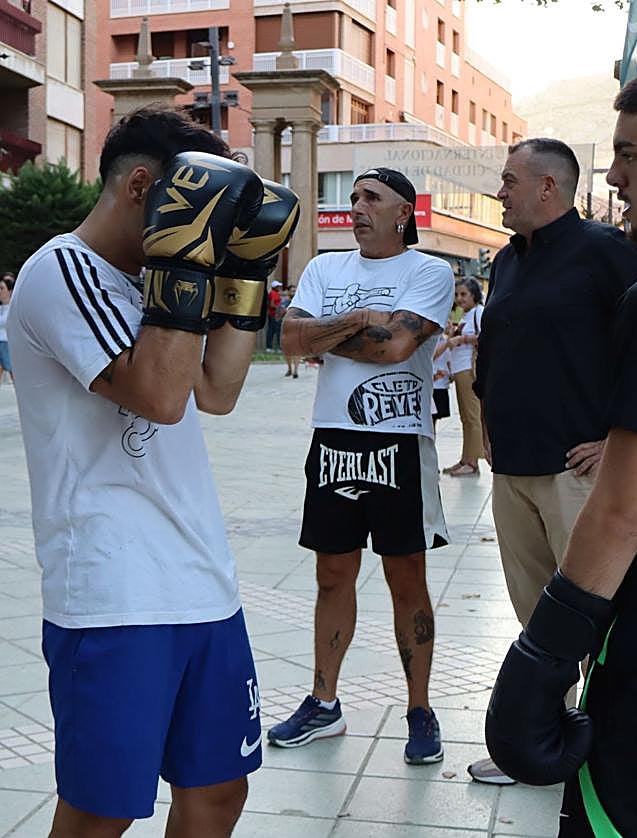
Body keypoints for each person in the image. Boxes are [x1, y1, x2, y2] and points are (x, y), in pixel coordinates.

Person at [6, 105, 296, 838]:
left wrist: (243, 269)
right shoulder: (60, 272)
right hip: (114, 592)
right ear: (143, 186)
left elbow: (218, 391)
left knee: (219, 789)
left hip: (202, 579)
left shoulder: (149, 279)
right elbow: (161, 397)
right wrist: (185, 263)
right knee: (100, 812)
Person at [485, 58, 637, 836]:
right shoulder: (512, 262)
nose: (612, 177)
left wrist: (542, 656)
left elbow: (621, 510)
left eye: (627, 154)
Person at [468, 137, 637, 785]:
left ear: (548, 187)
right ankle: (548, 742)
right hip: (512, 472)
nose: (499, 193)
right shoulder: (504, 260)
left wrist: (614, 441)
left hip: (578, 475)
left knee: (593, 619)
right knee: (536, 624)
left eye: (509, 181)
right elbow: (493, 352)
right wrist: (487, 425)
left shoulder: (607, 252)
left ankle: (610, 751)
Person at [267, 167, 454, 764]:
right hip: (333, 438)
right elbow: (288, 340)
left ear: (403, 213)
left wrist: (323, 334)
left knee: (406, 577)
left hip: (399, 440)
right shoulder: (325, 268)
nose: (357, 207)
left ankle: (419, 709)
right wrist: (355, 322)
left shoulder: (429, 272)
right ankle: (324, 703)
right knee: (331, 574)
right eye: (353, 197)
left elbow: (396, 347)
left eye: (372, 197)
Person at [442, 277, 485, 476]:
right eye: (457, 295)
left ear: (474, 295)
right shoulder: (464, 315)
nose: (459, 299)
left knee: (472, 416)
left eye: (464, 294)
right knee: (465, 417)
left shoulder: (478, 312)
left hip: (469, 368)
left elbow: (485, 336)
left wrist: (463, 339)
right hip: (459, 369)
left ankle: (473, 461)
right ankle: (465, 458)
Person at [0, 275, 14, 385]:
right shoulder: (0, 308)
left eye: (1, 288)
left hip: (7, 343)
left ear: (9, 291)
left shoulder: (13, 308)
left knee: (13, 371)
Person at [265, 279, 283, 351]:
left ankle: (270, 347)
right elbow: (272, 304)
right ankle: (270, 347)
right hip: (274, 315)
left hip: (274, 314)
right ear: (275, 287)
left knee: (272, 330)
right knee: (274, 330)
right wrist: (280, 309)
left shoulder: (274, 293)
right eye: (278, 286)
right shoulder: (273, 293)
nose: (280, 288)